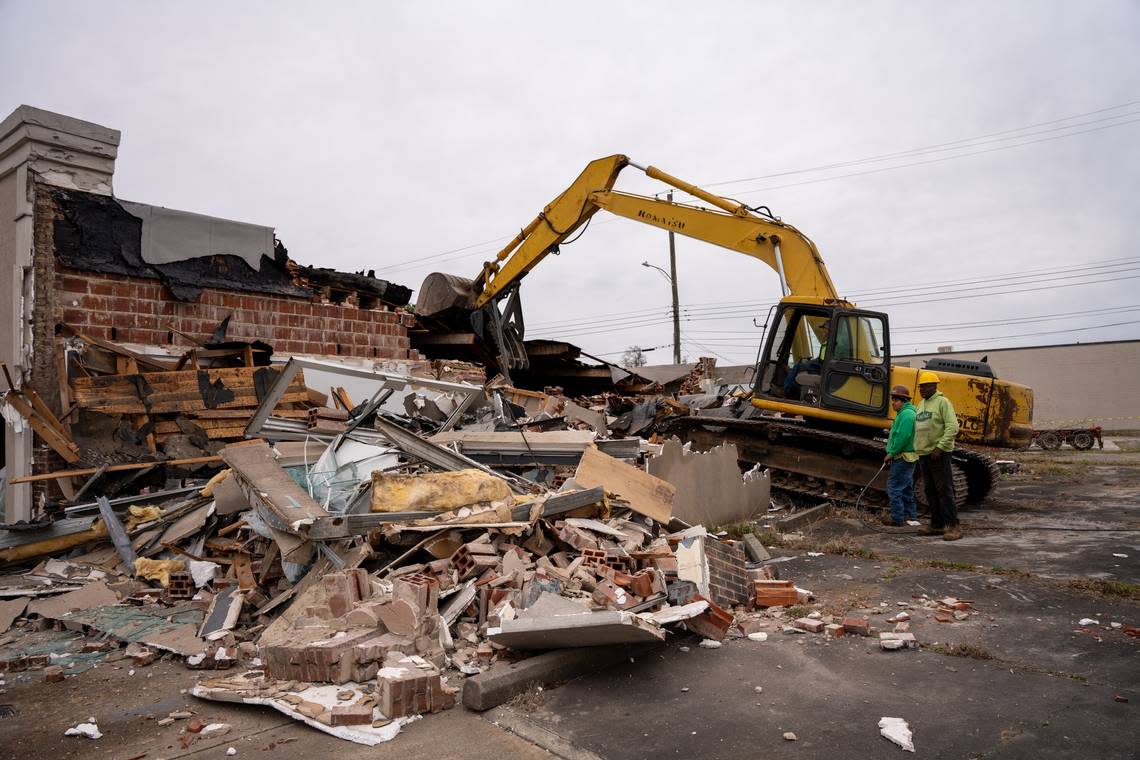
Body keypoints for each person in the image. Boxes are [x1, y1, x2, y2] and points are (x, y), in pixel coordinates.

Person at [913, 370, 962, 540]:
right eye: (921, 387)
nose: (922, 390)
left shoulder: (942, 402)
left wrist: (939, 448)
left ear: (934, 387)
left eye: (925, 387)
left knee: (944, 490)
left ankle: (953, 526)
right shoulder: (920, 405)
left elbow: (953, 427)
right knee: (930, 491)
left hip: (939, 454)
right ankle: (937, 525)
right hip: (924, 454)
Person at [882, 384, 918, 527]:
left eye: (896, 400)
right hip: (906, 457)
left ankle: (897, 519)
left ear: (903, 401)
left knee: (894, 488)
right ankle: (911, 518)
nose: (893, 403)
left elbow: (903, 437)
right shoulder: (905, 413)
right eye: (892, 399)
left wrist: (891, 453)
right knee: (906, 488)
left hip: (902, 457)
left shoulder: (907, 415)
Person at [783, 321, 830, 397]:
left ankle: (786, 391)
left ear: (828, 329)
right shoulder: (828, 342)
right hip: (822, 367)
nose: (822, 331)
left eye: (824, 328)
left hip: (822, 370)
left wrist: (809, 364)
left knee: (797, 366)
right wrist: (810, 362)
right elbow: (822, 358)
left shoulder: (830, 344)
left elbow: (823, 361)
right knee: (801, 366)